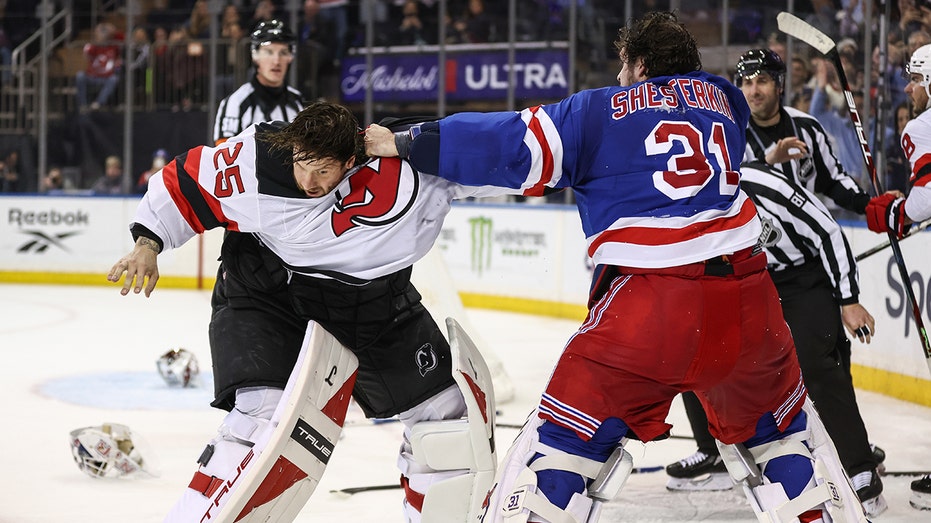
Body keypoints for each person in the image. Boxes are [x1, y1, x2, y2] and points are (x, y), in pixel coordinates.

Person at [365, 11, 867, 523]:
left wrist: (408, 142)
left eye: (625, 66)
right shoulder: (725, 100)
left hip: (652, 309)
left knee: (556, 457)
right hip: (751, 306)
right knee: (782, 443)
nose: (619, 77)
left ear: (640, 63)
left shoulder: (598, 111)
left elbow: (511, 144)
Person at [107, 102, 507, 522]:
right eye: (302, 165)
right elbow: (184, 181)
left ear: (351, 160)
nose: (309, 182)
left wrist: (570, 156)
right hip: (270, 292)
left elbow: (502, 150)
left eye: (323, 171)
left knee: (448, 425)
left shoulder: (408, 159)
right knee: (260, 421)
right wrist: (146, 244)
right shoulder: (257, 160)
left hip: (372, 304)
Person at [665, 160, 887, 516]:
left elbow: (828, 231)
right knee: (694, 352)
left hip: (802, 279)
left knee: (815, 364)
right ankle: (713, 452)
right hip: (745, 280)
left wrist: (849, 299)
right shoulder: (682, 193)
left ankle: (859, 468)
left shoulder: (764, 184)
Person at [865, 42, 931, 512]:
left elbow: (927, 197)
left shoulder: (922, 126)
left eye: (914, 79)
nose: (907, 88)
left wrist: (896, 213)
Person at [737, 48, 871, 221]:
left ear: (780, 85)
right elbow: (729, 192)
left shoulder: (806, 127)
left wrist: (871, 206)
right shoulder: (731, 134)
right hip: (759, 243)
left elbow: (832, 182)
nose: (754, 91)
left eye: (762, 81)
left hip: (805, 239)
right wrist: (767, 162)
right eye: (747, 83)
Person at [213, 19, 303, 145]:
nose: (276, 61)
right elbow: (224, 157)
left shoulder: (298, 101)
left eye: (283, 52)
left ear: (290, 57)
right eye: (269, 52)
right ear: (255, 56)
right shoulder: (236, 103)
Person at [75, 22, 122, 112]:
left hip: (106, 77)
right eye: (101, 33)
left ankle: (98, 103)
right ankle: (82, 105)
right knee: (80, 76)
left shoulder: (113, 46)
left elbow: (122, 37)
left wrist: (112, 29)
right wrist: (97, 32)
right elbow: (86, 51)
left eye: (105, 33)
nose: (102, 36)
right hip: (92, 76)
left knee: (114, 79)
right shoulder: (92, 47)